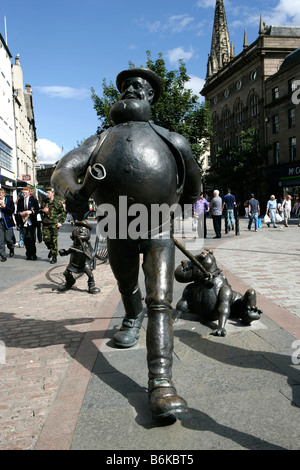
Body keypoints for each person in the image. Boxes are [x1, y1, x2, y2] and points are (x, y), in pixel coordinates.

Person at [51, 67, 201, 420]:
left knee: (161, 300)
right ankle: (132, 318)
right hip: (116, 225)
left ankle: (161, 382)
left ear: (151, 97)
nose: (131, 89)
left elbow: (195, 188)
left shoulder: (172, 140)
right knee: (125, 282)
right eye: (127, 86)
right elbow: (62, 170)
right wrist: (71, 190)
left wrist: (168, 202)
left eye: (140, 86)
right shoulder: (101, 139)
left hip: (157, 227)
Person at [40, 187, 66, 263]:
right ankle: (51, 250)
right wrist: (42, 210)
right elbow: (39, 210)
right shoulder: (44, 202)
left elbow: (63, 213)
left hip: (54, 224)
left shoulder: (58, 203)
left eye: (48, 193)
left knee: (54, 240)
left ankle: (54, 256)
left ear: (53, 193)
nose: (47, 194)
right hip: (45, 224)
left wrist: (60, 222)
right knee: (46, 239)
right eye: (46, 193)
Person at [17, 187, 40, 260]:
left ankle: (33, 254)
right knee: (25, 238)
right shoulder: (20, 201)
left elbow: (37, 210)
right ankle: (28, 254)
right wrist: (20, 213)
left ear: (29, 193)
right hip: (23, 222)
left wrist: (31, 212)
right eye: (23, 193)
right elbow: (17, 211)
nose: (24, 194)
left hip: (31, 222)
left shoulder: (33, 200)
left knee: (32, 238)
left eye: (25, 193)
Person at [0, 188, 15, 262]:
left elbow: (12, 211)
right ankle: (3, 256)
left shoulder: (9, 201)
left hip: (7, 222)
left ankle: (11, 248)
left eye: (1, 194)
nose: (0, 196)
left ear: (4, 194)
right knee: (1, 241)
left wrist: (5, 207)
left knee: (8, 239)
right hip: (0, 223)